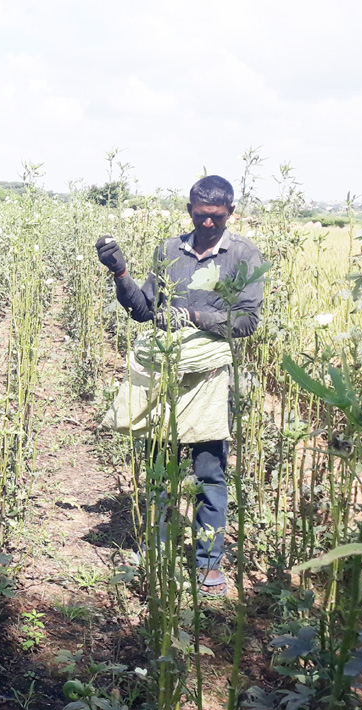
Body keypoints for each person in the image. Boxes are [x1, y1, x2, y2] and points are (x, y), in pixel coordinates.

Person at [95, 175, 263, 596]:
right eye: (201, 217)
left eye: (217, 218)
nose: (208, 225)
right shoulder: (170, 250)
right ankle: (159, 552)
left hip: (208, 379)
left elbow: (247, 321)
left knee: (209, 475)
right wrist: (120, 272)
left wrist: (195, 317)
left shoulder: (242, 255)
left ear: (230, 213)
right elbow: (144, 310)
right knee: (158, 474)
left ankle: (208, 563)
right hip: (167, 375)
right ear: (190, 211)